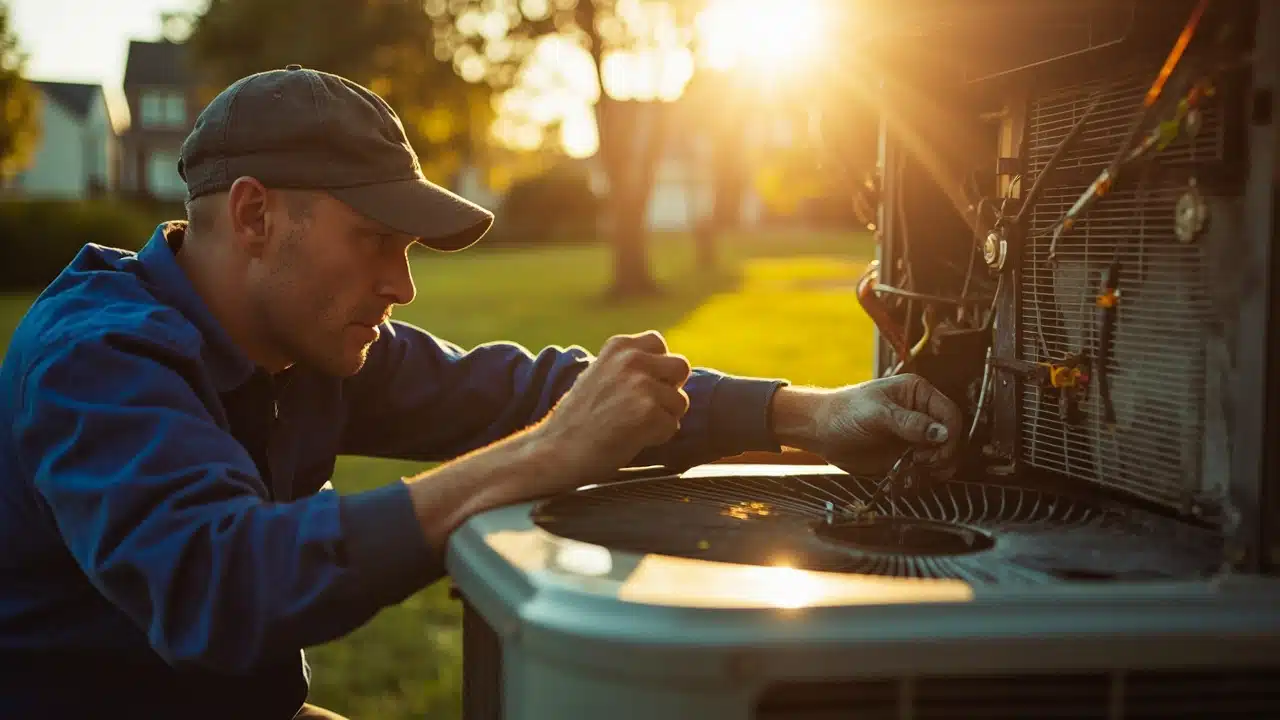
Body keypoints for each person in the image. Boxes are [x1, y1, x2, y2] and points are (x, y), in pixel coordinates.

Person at [0, 66, 963, 719]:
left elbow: (514, 389)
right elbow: (223, 585)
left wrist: (811, 414)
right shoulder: (97, 361)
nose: (401, 285)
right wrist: (542, 457)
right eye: (375, 240)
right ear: (255, 215)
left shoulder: (305, 346)